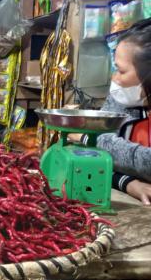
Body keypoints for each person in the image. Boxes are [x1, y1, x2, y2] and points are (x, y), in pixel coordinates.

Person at [72, 18, 151, 204]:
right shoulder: (120, 99)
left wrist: (88, 138)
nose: (114, 78)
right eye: (114, 68)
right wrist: (127, 183)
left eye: (121, 71)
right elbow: (94, 159)